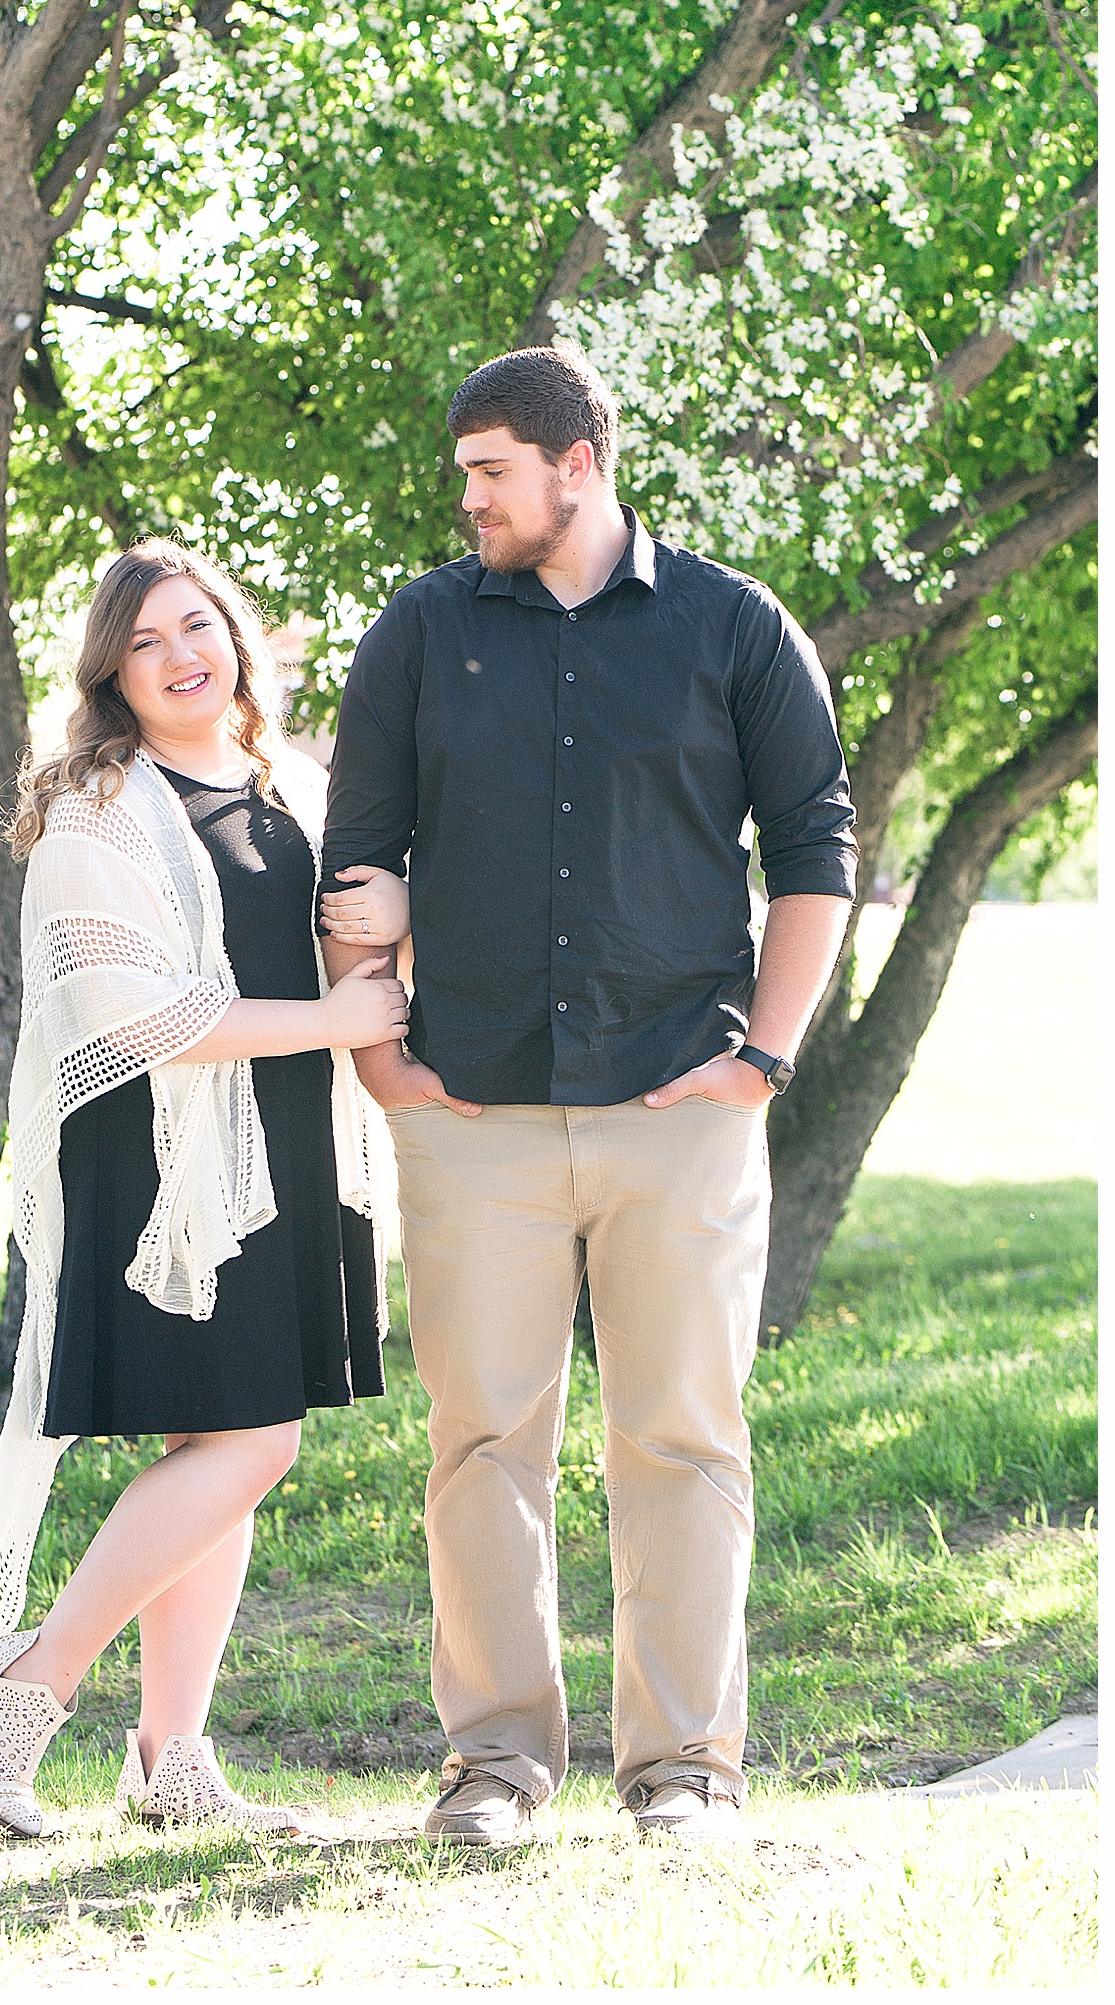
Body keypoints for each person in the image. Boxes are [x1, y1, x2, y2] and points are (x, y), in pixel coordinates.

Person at [319, 344, 857, 1850]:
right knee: (482, 1438)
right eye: (465, 473)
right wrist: (383, 1062)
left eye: (491, 468)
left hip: (681, 1105)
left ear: (582, 460)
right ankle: (495, 1762)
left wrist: (763, 1056)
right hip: (473, 1113)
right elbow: (356, 853)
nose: (470, 497)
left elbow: (818, 848)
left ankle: (683, 1766)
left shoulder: (732, 625)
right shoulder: (422, 630)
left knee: (681, 1434)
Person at [0, 538, 405, 1840]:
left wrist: (394, 910)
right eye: (146, 641)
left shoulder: (290, 783)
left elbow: (351, 933)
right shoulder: (101, 804)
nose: (179, 656)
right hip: (161, 1156)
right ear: (113, 673)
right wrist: (333, 1016)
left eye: (196, 625)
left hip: (280, 1144)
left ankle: (171, 1762)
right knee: (253, 1440)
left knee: (224, 1444)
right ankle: (33, 1675)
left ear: (235, 633)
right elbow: (135, 1014)